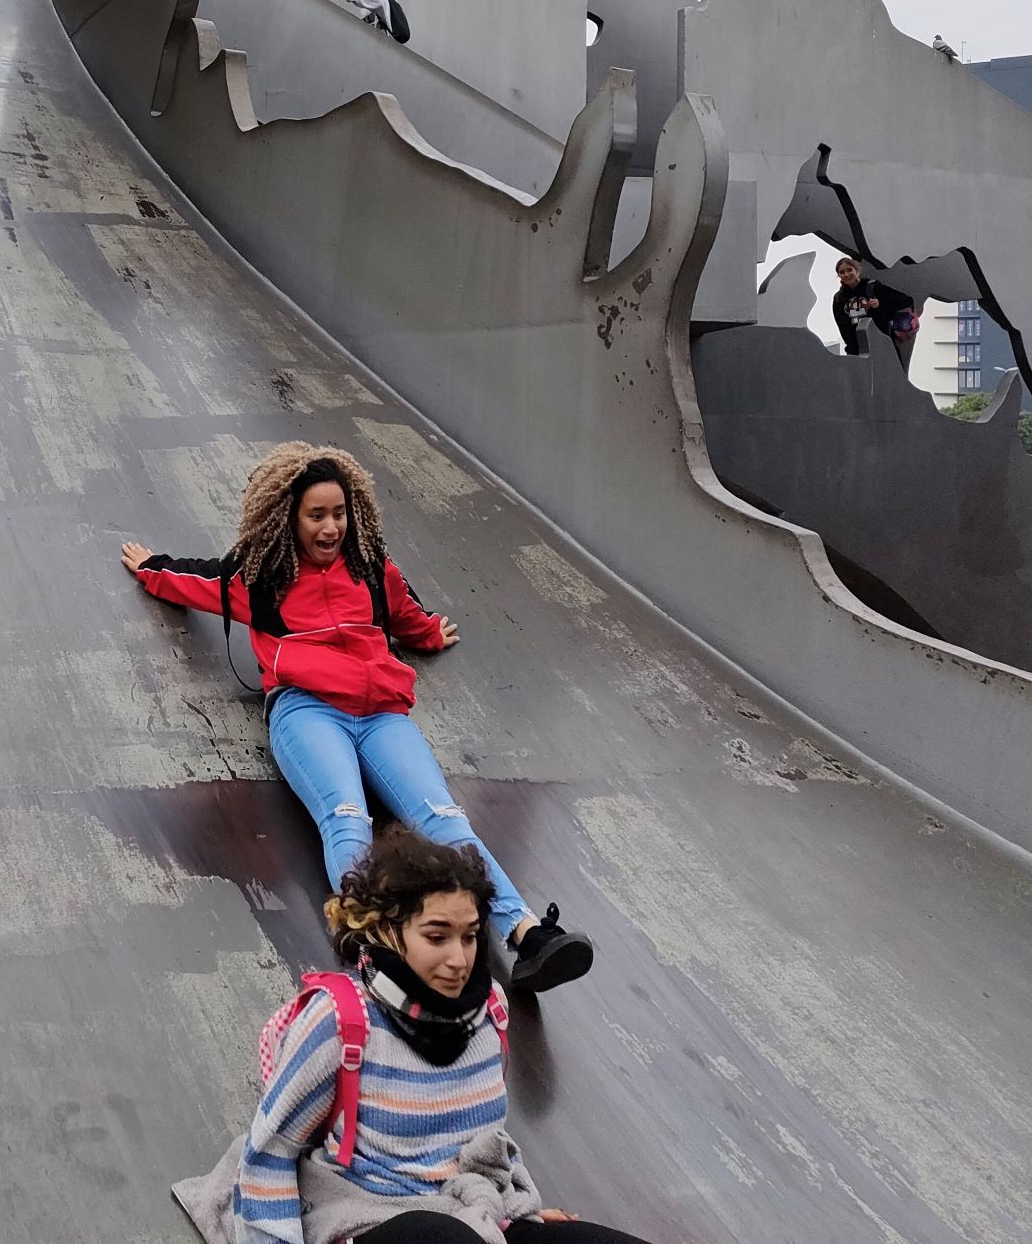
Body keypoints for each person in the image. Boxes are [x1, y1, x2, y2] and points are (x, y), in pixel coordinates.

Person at [121, 443, 592, 995]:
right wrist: (151, 568)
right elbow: (195, 582)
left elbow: (406, 611)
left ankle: (527, 935)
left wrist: (428, 634)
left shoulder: (370, 567)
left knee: (443, 819)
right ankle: (376, 949)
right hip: (307, 711)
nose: (331, 527)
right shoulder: (263, 577)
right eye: (316, 515)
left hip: (381, 716)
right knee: (347, 818)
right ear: (289, 518)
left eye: (339, 513)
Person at [175, 828, 660, 1244]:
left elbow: (481, 1137)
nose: (459, 958)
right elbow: (271, 1154)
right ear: (389, 931)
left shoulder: (490, 1009)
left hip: (471, 1214)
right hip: (368, 1219)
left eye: (469, 936)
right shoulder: (339, 1020)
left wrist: (517, 1211)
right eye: (436, 936)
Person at [830, 257, 920, 370]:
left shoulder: (872, 287)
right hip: (858, 349)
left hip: (883, 344)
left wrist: (880, 304)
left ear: (856, 270)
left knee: (890, 374)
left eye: (849, 270)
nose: (846, 274)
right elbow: (843, 326)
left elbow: (905, 300)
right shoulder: (839, 299)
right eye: (842, 272)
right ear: (838, 275)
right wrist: (852, 349)